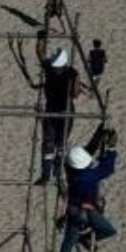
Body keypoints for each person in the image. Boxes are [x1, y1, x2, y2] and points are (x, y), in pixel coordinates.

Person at [52, 127, 119, 252]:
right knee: (108, 230)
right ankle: (86, 238)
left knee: (68, 241)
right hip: (84, 210)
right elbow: (108, 168)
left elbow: (89, 149)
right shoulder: (88, 176)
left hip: (72, 209)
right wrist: (111, 149)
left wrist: (99, 133)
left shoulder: (70, 168)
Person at [34, 32, 82, 185]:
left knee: (50, 143)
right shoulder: (71, 73)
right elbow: (75, 94)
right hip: (64, 109)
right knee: (60, 143)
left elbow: (40, 52)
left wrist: (41, 39)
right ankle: (56, 174)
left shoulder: (50, 67)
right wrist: (76, 83)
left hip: (54, 109)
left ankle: (47, 175)